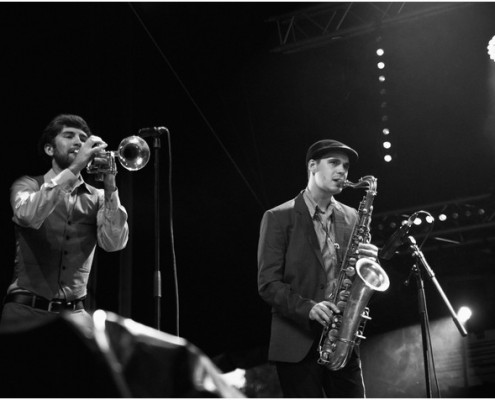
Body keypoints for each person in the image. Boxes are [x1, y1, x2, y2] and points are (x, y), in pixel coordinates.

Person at [257, 139, 379, 398]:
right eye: (334, 163)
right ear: (312, 166)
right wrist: (309, 308)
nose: (342, 172)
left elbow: (354, 275)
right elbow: (268, 285)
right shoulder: (277, 217)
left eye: (345, 166)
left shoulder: (353, 217)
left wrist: (368, 261)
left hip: (342, 339)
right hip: (296, 341)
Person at [0, 114, 129, 331]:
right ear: (50, 149)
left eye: (83, 138)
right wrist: (75, 168)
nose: (79, 142)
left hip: (75, 320)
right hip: (24, 314)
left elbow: (114, 243)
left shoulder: (98, 197)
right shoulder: (27, 185)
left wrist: (110, 185)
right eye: (69, 136)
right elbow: (27, 215)